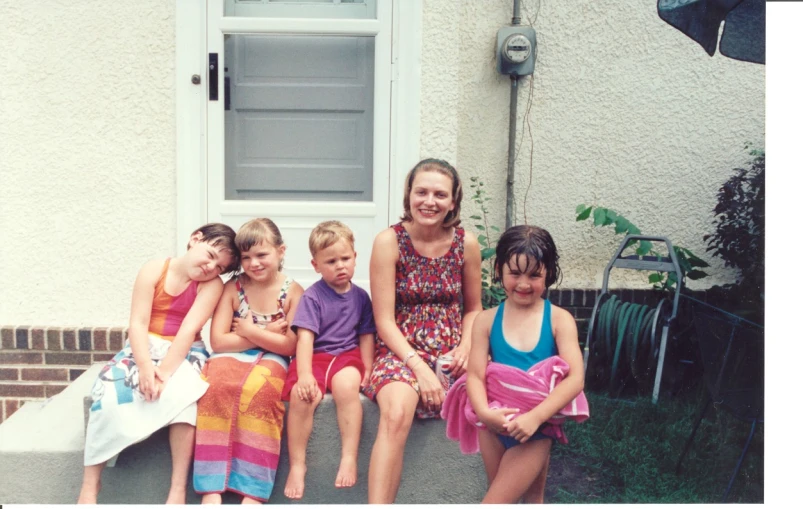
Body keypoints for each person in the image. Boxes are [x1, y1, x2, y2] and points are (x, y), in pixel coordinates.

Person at [79, 223, 239, 505]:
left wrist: (163, 373)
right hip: (143, 347)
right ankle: (90, 486)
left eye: (219, 267)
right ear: (195, 239)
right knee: (107, 395)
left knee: (185, 400)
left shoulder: (210, 286)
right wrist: (143, 367)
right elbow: (138, 323)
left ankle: (177, 489)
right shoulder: (154, 269)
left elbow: (189, 330)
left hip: (184, 350)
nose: (210, 267)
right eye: (210, 254)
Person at [362, 158, 483, 503]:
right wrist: (418, 368)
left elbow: (474, 308)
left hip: (452, 352)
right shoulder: (389, 241)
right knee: (397, 412)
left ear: (453, 201)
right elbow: (383, 319)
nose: (429, 201)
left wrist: (465, 346)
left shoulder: (466, 243)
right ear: (409, 195)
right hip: (401, 350)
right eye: (422, 192)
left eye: (440, 194)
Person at [465, 225, 586, 504]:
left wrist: (536, 417)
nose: (523, 283)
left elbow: (576, 378)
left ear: (549, 274)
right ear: (499, 269)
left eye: (534, 275)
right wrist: (484, 413)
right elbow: (474, 374)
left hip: (538, 428)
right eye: (515, 273)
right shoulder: (485, 320)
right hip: (495, 425)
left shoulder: (559, 320)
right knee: (530, 500)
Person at [193, 218, 303, 504]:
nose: (254, 263)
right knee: (214, 387)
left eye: (262, 254)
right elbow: (218, 340)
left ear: (281, 251)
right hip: (229, 356)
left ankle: (252, 488)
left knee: (263, 393)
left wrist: (249, 331)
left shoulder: (292, 292)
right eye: (246, 257)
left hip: (274, 360)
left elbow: (290, 344)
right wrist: (266, 334)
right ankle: (211, 487)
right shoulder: (234, 288)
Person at [281, 220, 376, 500]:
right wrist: (306, 374)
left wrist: (368, 367)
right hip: (317, 356)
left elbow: (366, 334)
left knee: (347, 387)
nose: (340, 265)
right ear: (316, 265)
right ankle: (298, 465)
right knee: (302, 396)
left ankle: (349, 456)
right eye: (331, 261)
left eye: (345, 258)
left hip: (347, 356)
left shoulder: (361, 297)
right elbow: (305, 339)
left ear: (355, 257)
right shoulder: (312, 297)